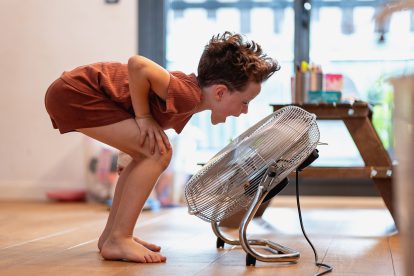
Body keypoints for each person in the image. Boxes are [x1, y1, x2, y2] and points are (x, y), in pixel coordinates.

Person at [44, 31, 280, 263]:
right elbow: (138, 65)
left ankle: (111, 237)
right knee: (159, 152)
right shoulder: (186, 94)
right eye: (245, 102)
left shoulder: (186, 96)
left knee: (149, 152)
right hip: (75, 93)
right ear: (220, 92)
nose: (245, 110)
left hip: (73, 92)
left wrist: (129, 151)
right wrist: (144, 118)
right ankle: (120, 237)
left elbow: (127, 102)